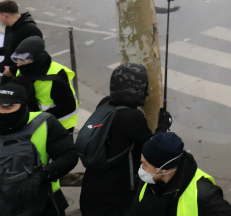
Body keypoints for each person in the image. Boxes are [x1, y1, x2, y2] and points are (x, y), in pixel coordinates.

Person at [80, 63, 171, 216]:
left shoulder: (105, 105)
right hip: (115, 196)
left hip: (93, 187)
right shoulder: (131, 117)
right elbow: (152, 150)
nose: (146, 93)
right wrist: (163, 125)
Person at [0, 81, 78, 216]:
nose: (2, 112)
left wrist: (42, 175)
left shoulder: (44, 123)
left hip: (42, 201)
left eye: (8, 107)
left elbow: (69, 155)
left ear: (23, 104)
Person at [128, 131, 231, 216]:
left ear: (164, 168)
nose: (142, 168)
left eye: (145, 164)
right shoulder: (149, 180)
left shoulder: (203, 192)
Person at [10, 36, 77, 133]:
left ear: (36, 59)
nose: (18, 64)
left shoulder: (56, 76)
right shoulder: (23, 70)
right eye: (17, 59)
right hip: (34, 125)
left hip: (58, 127)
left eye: (23, 60)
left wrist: (38, 118)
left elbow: (68, 106)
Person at [0, 0, 42, 77]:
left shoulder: (30, 30)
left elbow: (35, 57)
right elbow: (9, 49)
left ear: (5, 15)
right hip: (7, 70)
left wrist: (12, 69)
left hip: (22, 75)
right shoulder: (9, 27)